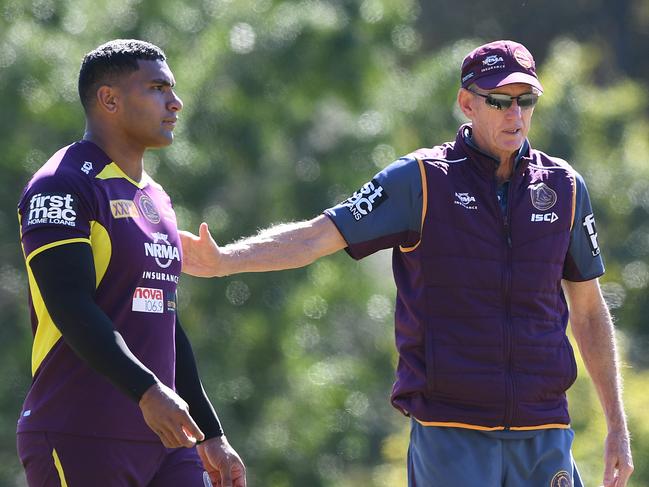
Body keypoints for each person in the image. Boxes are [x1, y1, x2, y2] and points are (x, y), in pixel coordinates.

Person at [179, 40, 634, 486]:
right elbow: (318, 235)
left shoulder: (566, 186)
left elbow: (590, 311)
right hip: (451, 434)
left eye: (525, 99)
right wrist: (223, 261)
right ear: (466, 103)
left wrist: (617, 425)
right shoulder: (419, 179)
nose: (515, 114)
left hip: (545, 430)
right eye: (499, 100)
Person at [16, 39, 246, 487]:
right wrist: (147, 389)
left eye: (173, 89)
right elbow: (69, 304)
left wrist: (211, 433)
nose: (175, 102)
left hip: (166, 438)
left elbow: (164, 318)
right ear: (109, 99)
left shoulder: (155, 196)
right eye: (158, 88)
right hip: (80, 431)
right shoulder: (60, 185)